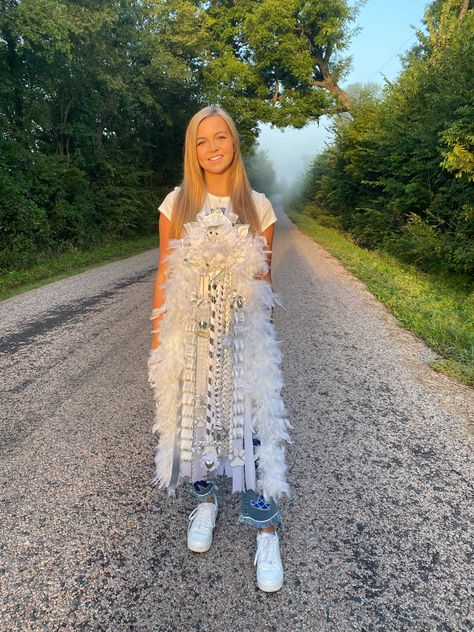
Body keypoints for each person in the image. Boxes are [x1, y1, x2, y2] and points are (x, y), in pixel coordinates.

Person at [148, 104, 291, 592]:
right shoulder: (177, 204)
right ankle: (206, 501)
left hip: (242, 339)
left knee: (253, 429)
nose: (212, 148)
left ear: (234, 143)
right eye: (201, 141)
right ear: (193, 150)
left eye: (221, 138)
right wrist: (157, 345)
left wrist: (260, 338)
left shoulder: (258, 207)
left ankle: (265, 527)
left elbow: (266, 281)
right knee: (199, 426)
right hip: (191, 341)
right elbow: (164, 276)